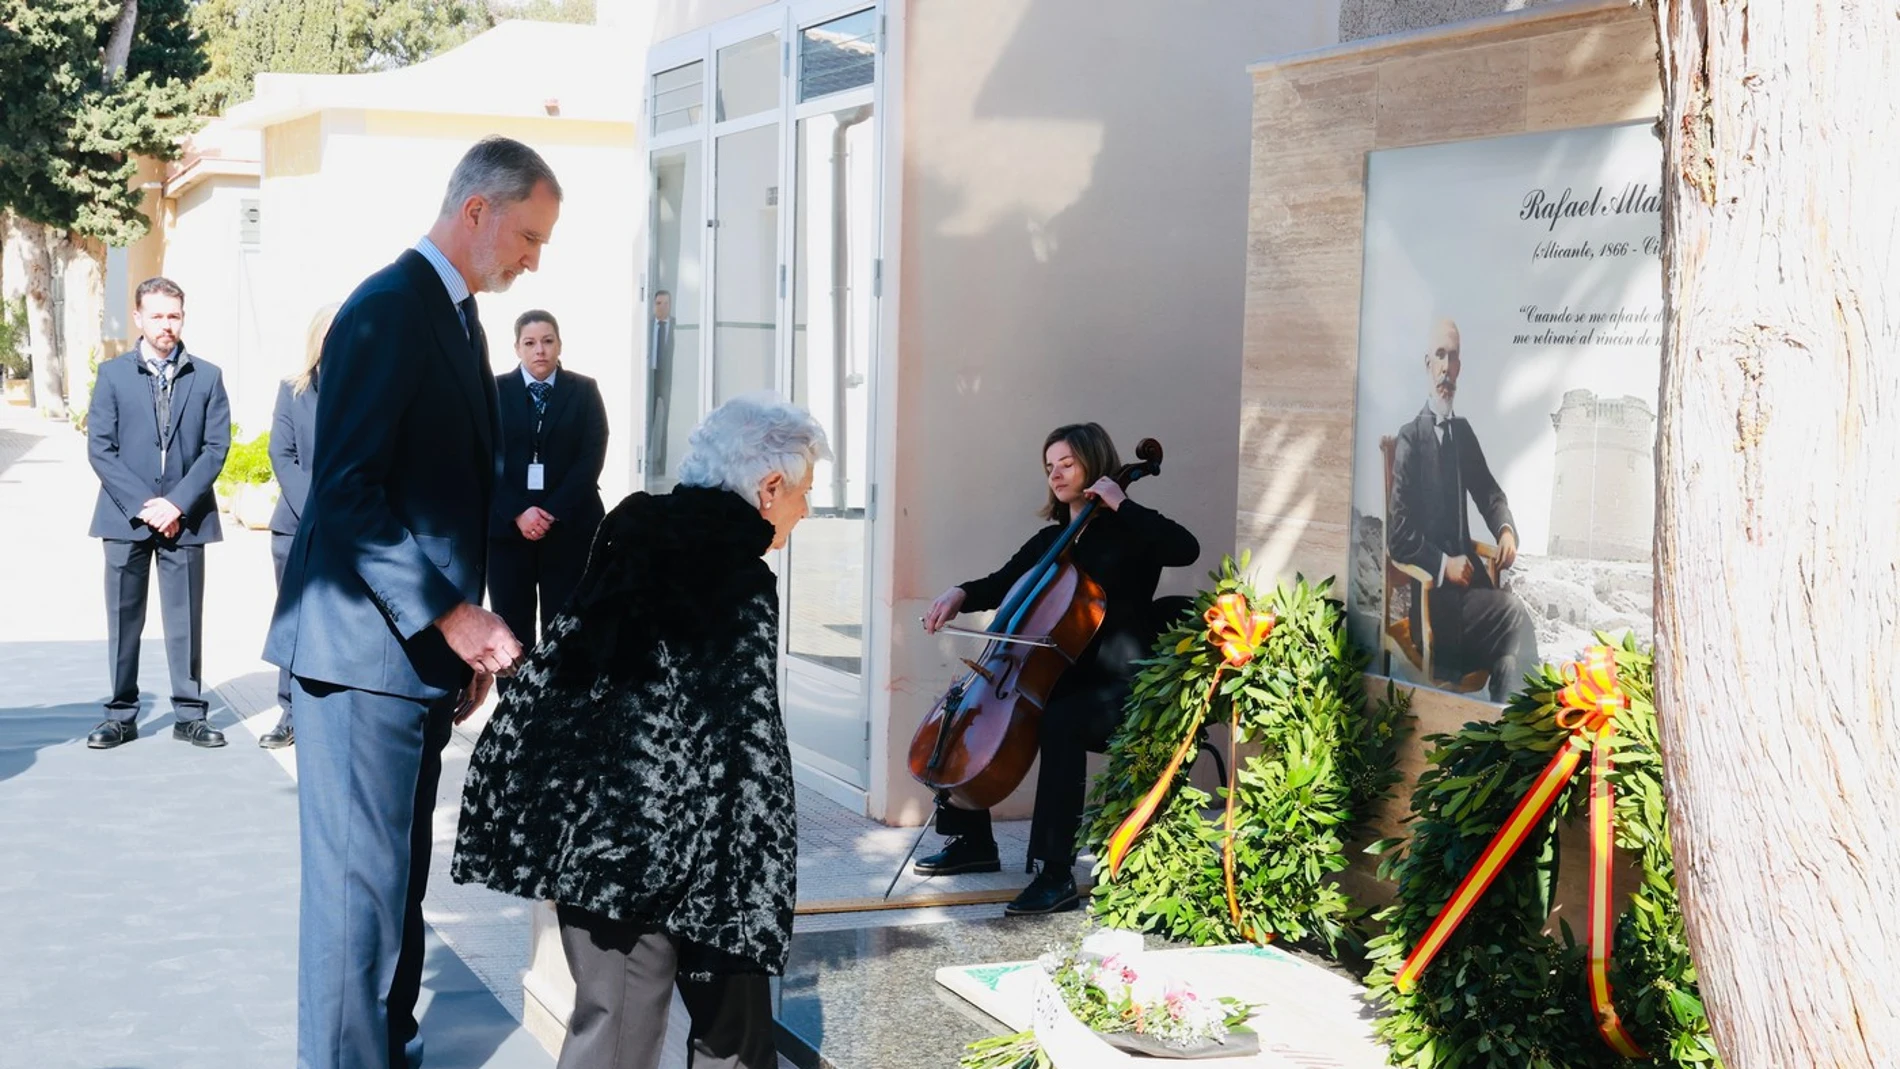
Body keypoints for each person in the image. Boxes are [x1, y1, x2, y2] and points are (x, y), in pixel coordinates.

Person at [263, 136, 561, 1068]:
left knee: (395, 892)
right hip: (359, 662)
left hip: (410, 664)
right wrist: (454, 617)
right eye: (528, 234)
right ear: (477, 209)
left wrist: (448, 649)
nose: (533, 259)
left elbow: (439, 494)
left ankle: (385, 1048)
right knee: (357, 906)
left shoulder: (455, 313)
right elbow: (347, 491)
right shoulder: (388, 308)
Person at [454, 394, 830, 1069]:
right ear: (770, 487)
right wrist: (757, 893)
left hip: (597, 839)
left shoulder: (634, 530)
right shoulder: (735, 575)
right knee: (731, 1040)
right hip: (676, 851)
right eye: (803, 492)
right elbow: (741, 749)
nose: (805, 509)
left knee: (613, 1028)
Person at [916, 422, 1200, 915]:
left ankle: (1054, 873)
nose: (1056, 474)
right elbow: (1002, 583)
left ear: (1095, 463)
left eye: (1067, 463)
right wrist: (959, 593)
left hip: (1118, 684)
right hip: (1060, 677)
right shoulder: (1052, 541)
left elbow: (1185, 547)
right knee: (969, 710)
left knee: (1060, 721)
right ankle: (972, 843)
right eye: (1049, 467)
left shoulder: (1129, 535)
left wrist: (1120, 501)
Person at [85, 276, 232, 750]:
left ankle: (189, 714)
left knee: (186, 621)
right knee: (124, 619)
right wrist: (148, 507)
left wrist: (177, 503)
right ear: (138, 318)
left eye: (174, 316)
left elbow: (215, 448)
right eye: (157, 316)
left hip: (185, 520)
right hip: (126, 520)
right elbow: (100, 450)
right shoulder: (112, 375)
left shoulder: (207, 376)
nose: (166, 325)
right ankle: (120, 714)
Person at [1386, 317, 1539, 702]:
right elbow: (1399, 535)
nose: (1445, 368)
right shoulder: (1409, 438)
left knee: (1509, 659)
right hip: (1434, 608)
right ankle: (1527, 725)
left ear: (1459, 369)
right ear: (1427, 364)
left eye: (1452, 359)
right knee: (1516, 616)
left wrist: (1504, 528)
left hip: (1471, 602)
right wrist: (1443, 564)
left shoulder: (1462, 433)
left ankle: (1504, 733)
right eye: (1439, 356)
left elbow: (1489, 491)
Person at [488, 309, 608, 657]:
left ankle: (558, 709)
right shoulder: (494, 391)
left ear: (559, 344)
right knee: (510, 630)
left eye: (547, 341)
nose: (539, 350)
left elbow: (591, 456)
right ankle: (514, 708)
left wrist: (550, 511)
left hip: (569, 527)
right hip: (509, 531)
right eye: (530, 343)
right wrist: (518, 512)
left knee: (566, 627)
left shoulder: (584, 391)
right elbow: (483, 457)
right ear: (517, 348)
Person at [258, 303, 338, 749]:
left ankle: (327, 713)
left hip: (352, 531)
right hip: (297, 526)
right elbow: (280, 454)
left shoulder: (370, 391)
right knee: (294, 619)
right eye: (330, 333)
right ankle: (289, 710)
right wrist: (317, 511)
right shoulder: (292, 390)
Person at [645, 288, 676, 486]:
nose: (662, 308)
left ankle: (664, 464)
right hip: (651, 375)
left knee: (667, 423)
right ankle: (647, 461)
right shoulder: (647, 326)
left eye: (666, 304)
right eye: (658, 304)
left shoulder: (676, 326)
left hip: (670, 377)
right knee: (648, 420)